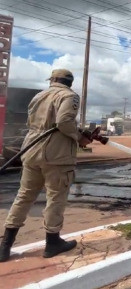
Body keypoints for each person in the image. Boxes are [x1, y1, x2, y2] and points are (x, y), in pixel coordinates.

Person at [0, 69, 92, 262]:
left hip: (31, 152)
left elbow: (34, 122)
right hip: (56, 156)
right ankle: (52, 243)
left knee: (24, 196)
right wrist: (79, 137)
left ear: (53, 80)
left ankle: (5, 246)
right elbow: (64, 122)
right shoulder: (70, 96)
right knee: (56, 198)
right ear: (69, 83)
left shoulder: (39, 96)